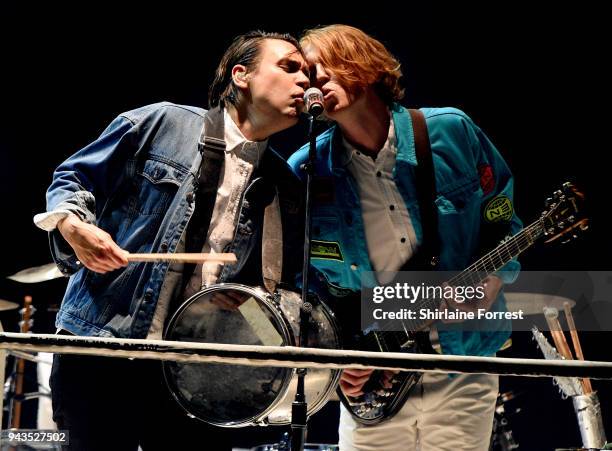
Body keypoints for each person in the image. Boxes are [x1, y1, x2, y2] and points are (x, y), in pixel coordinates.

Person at [34, 31, 310, 451]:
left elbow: (269, 295)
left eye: (307, 72)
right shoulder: (163, 122)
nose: (305, 81)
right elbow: (72, 178)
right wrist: (74, 228)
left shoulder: (283, 185)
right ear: (241, 75)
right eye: (289, 67)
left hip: (199, 371)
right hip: (103, 347)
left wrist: (257, 322)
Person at [288, 25, 522, 451]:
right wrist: (338, 356)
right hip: (373, 374)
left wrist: (493, 280)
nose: (314, 77)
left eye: (327, 63)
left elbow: (501, 214)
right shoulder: (305, 168)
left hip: (462, 360)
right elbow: (302, 286)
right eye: (307, 70)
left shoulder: (449, 131)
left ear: (366, 63)